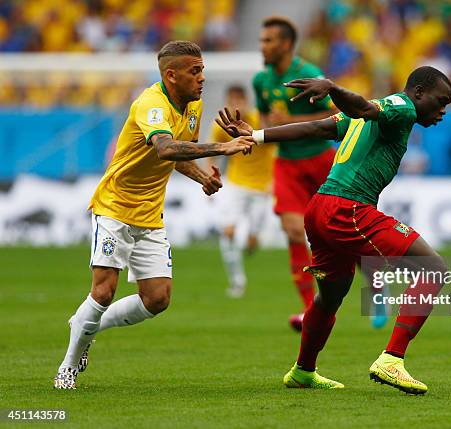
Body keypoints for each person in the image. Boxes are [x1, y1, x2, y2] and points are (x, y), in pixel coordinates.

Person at [217, 65, 451, 394]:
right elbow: (363, 107)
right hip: (348, 208)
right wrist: (332, 87)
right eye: (440, 102)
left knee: (330, 297)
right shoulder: (402, 107)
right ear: (418, 93)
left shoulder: (374, 115)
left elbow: (315, 128)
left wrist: (255, 136)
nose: (443, 111)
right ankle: (392, 360)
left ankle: (303, 371)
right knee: (433, 270)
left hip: (319, 209)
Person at [53, 40, 255, 389]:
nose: (202, 77)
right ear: (170, 75)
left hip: (149, 214)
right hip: (115, 206)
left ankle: (85, 326)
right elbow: (164, 147)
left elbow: (178, 155)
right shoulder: (151, 103)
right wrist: (223, 147)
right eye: (195, 71)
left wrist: (204, 177)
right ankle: (68, 367)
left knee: (157, 299)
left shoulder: (192, 106)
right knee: (103, 292)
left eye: (203, 69)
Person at [253, 16, 337, 331]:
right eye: (262, 40)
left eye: (268, 41)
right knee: (291, 231)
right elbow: (266, 116)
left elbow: (335, 113)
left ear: (286, 44)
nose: (262, 46)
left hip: (320, 159)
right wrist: (271, 125)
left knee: (341, 231)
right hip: (287, 163)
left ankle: (375, 285)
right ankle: (309, 310)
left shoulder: (308, 74)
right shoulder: (261, 81)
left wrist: (290, 120)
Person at [208, 85, 276, 298]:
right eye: (232, 100)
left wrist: (274, 180)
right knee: (228, 232)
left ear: (247, 101)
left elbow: (275, 149)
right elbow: (213, 149)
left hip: (261, 188)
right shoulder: (222, 126)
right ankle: (237, 281)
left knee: (252, 241)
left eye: (240, 100)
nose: (237, 105)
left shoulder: (259, 120)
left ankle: (252, 239)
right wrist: (211, 175)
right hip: (236, 184)